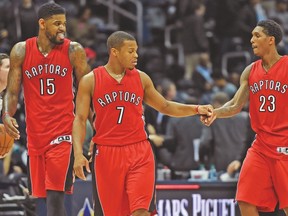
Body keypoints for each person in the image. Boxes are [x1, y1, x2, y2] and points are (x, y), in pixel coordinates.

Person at [72, 31, 213, 216]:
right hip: (107, 153)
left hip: (139, 151)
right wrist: (77, 154)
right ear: (114, 52)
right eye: (130, 51)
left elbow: (165, 106)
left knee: (141, 211)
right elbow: (80, 119)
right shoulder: (90, 80)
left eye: (136, 50)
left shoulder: (141, 78)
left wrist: (196, 109)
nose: (136, 55)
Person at [1, 2, 89, 216]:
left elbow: (87, 90)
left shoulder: (73, 50)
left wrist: (93, 130)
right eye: (56, 23)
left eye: (64, 24)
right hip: (36, 137)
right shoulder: (21, 51)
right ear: (42, 24)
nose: (62, 28)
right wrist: (6, 115)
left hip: (63, 135)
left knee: (55, 200)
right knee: (42, 200)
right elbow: (12, 93)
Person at [201, 19, 288, 215]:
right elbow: (234, 105)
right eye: (251, 36)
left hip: (285, 145)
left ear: (271, 40)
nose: (252, 40)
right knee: (245, 199)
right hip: (261, 146)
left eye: (257, 35)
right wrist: (215, 113)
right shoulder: (250, 71)